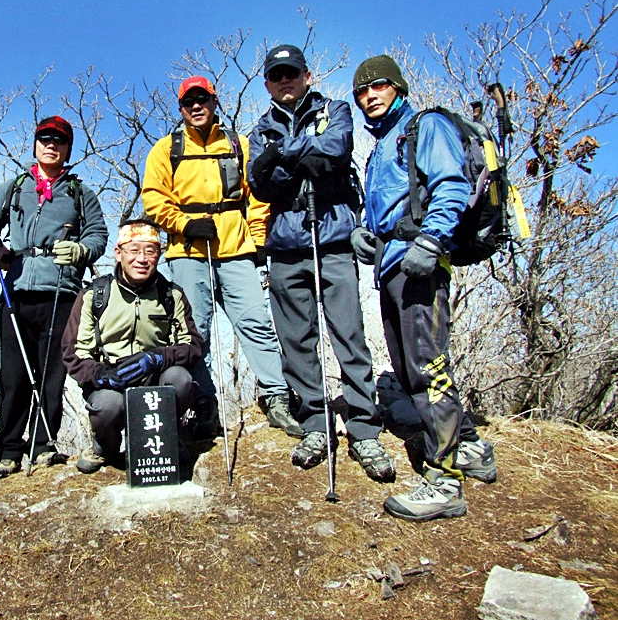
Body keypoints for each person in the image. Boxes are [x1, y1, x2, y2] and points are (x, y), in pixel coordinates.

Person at [351, 55, 494, 520]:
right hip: (394, 265)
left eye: (377, 87)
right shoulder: (382, 147)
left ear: (398, 87)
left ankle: (444, 480)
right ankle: (470, 448)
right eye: (361, 93)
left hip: (420, 265)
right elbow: (394, 207)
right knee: (412, 365)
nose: (368, 97)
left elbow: (450, 186)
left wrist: (431, 241)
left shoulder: (425, 126)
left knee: (426, 366)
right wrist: (366, 232)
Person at [248, 45, 395, 482]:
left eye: (291, 72)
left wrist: (286, 155)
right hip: (285, 246)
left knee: (348, 335)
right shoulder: (260, 128)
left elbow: (335, 149)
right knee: (296, 341)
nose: (284, 80)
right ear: (268, 84)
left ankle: (364, 427)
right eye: (276, 76)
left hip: (332, 239)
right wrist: (302, 157)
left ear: (307, 76)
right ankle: (315, 422)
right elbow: (262, 181)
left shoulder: (336, 109)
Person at [142, 76, 298, 440]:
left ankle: (277, 396)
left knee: (256, 322)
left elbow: (256, 194)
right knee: (193, 332)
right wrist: (184, 223)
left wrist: (258, 239)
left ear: (214, 102)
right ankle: (205, 406)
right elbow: (154, 198)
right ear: (181, 108)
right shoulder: (166, 149)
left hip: (235, 247)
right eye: (188, 101)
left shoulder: (238, 145)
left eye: (203, 99)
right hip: (187, 250)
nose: (196, 106)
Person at [0, 116, 107, 478]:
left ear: (68, 148)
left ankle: (43, 444)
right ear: (35, 144)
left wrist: (81, 251)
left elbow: (99, 234)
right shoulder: (15, 186)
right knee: (13, 375)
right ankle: (8, 450)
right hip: (18, 288)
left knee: (53, 374)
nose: (51, 145)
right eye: (45, 139)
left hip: (62, 292)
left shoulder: (79, 192)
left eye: (59, 141)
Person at [62, 219, 203, 473]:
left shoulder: (172, 295)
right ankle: (105, 446)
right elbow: (73, 353)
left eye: (150, 251)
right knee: (107, 405)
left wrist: (158, 358)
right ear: (118, 254)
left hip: (156, 378)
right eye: (134, 250)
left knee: (181, 380)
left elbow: (192, 345)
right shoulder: (94, 295)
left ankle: (169, 439)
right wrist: (102, 375)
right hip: (111, 383)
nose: (142, 259)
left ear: (159, 255)